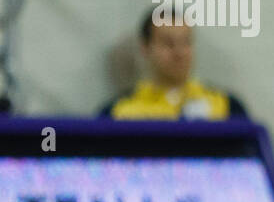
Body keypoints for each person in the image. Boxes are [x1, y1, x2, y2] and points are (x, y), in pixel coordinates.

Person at [100, 9, 249, 120]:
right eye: (168, 44)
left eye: (186, 43)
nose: (179, 53)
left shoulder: (226, 106)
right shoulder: (119, 111)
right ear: (145, 48)